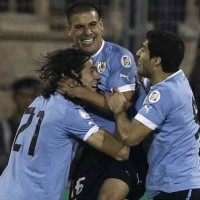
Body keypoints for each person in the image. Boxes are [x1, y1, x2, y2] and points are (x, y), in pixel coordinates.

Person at [0, 48, 130, 200]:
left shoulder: (39, 102)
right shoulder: (67, 112)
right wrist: (119, 111)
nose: (98, 76)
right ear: (71, 77)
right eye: (91, 71)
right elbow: (121, 153)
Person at [58, 2, 148, 200]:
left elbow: (122, 104)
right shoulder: (68, 62)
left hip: (124, 147)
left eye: (92, 24)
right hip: (91, 149)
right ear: (69, 30)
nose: (87, 32)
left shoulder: (119, 57)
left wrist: (79, 92)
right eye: (79, 27)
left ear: (101, 25)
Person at [106, 30, 200, 200]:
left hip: (177, 188)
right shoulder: (177, 79)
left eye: (143, 50)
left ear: (156, 61)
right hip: (180, 184)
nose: (138, 54)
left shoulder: (165, 93)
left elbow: (130, 137)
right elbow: (145, 83)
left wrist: (118, 110)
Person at [0, 77, 41, 175]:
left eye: (31, 96)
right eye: (23, 96)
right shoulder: (4, 127)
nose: (27, 101)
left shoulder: (44, 127)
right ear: (15, 97)